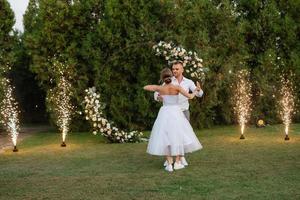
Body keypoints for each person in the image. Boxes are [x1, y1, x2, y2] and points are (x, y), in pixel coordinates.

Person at [144, 68, 203, 172]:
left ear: (162, 78)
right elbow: (190, 96)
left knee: (165, 137)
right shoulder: (177, 87)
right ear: (171, 77)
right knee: (178, 135)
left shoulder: (160, 88)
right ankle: (177, 162)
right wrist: (196, 90)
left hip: (165, 113)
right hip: (176, 112)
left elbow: (146, 87)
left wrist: (157, 89)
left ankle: (169, 164)